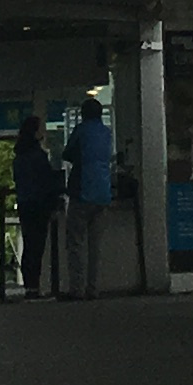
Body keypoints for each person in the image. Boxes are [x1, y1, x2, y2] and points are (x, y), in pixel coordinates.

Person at [66, 92, 116, 297]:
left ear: (83, 114)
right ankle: (93, 288)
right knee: (95, 246)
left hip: (82, 191)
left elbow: (67, 153)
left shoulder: (81, 130)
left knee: (76, 243)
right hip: (103, 192)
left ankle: (77, 289)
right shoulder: (107, 133)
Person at [12, 113, 62, 297]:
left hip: (25, 203)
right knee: (38, 246)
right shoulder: (38, 156)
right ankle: (35, 285)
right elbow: (47, 181)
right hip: (40, 204)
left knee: (29, 244)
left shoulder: (20, 156)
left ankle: (30, 285)